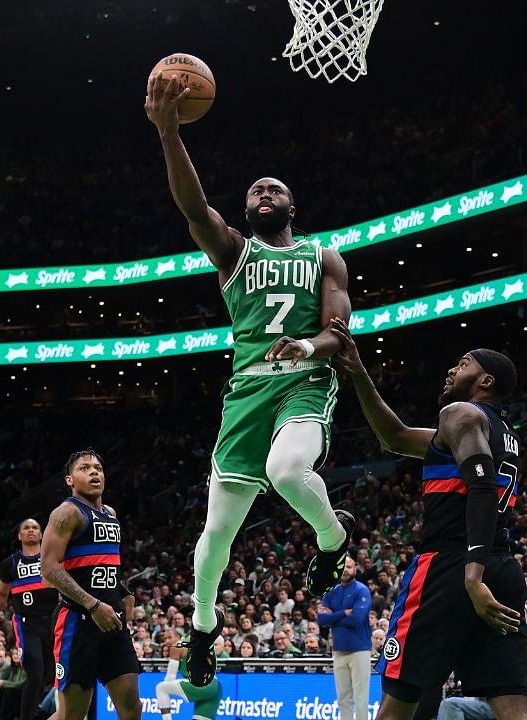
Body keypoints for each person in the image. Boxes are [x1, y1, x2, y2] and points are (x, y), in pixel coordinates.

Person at [145, 72, 355, 687]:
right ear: (245, 211)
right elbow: (191, 208)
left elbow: (340, 333)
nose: (265, 191)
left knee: (289, 470)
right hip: (246, 393)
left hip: (305, 381)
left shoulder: (325, 257)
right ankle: (202, 632)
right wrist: (168, 133)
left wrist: (307, 345)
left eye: (276, 189)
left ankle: (332, 537)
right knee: (215, 537)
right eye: (256, 190)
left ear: (292, 207)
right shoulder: (235, 253)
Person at [328, 319, 527, 720]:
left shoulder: (460, 413)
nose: (453, 370)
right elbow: (395, 437)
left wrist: (472, 578)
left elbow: (482, 489)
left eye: (464, 363)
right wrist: (359, 372)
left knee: (397, 703)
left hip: (450, 566)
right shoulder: (504, 431)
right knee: (512, 707)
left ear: (485, 380)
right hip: (503, 567)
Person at [40, 450, 140, 720]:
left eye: (98, 468)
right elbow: (48, 569)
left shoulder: (111, 513)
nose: (94, 472)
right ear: (70, 480)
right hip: (77, 620)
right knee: (72, 715)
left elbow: (104, 562)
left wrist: (124, 592)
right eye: (85, 468)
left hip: (113, 622)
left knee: (132, 707)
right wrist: (93, 605)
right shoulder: (66, 513)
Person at [0, 518, 58, 720]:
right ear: (19, 535)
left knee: (50, 675)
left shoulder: (53, 558)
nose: (31, 531)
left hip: (53, 621)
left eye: (35, 528)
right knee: (35, 674)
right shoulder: (10, 563)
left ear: (42, 534)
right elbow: (2, 595)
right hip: (26, 624)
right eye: (26, 528)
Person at [317, 557, 372, 720]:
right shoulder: (331, 591)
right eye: (343, 567)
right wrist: (343, 613)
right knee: (343, 697)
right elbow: (321, 620)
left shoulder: (362, 590)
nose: (346, 570)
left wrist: (333, 616)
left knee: (361, 698)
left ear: (355, 570)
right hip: (339, 650)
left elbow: (357, 618)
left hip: (359, 649)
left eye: (349, 567)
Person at [155, 642, 221, 720]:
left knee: (161, 688)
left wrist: (167, 696)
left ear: (177, 637)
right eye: (165, 639)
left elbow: (170, 678)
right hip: (215, 684)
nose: (167, 641)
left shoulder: (176, 647)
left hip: (202, 683)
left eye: (169, 637)